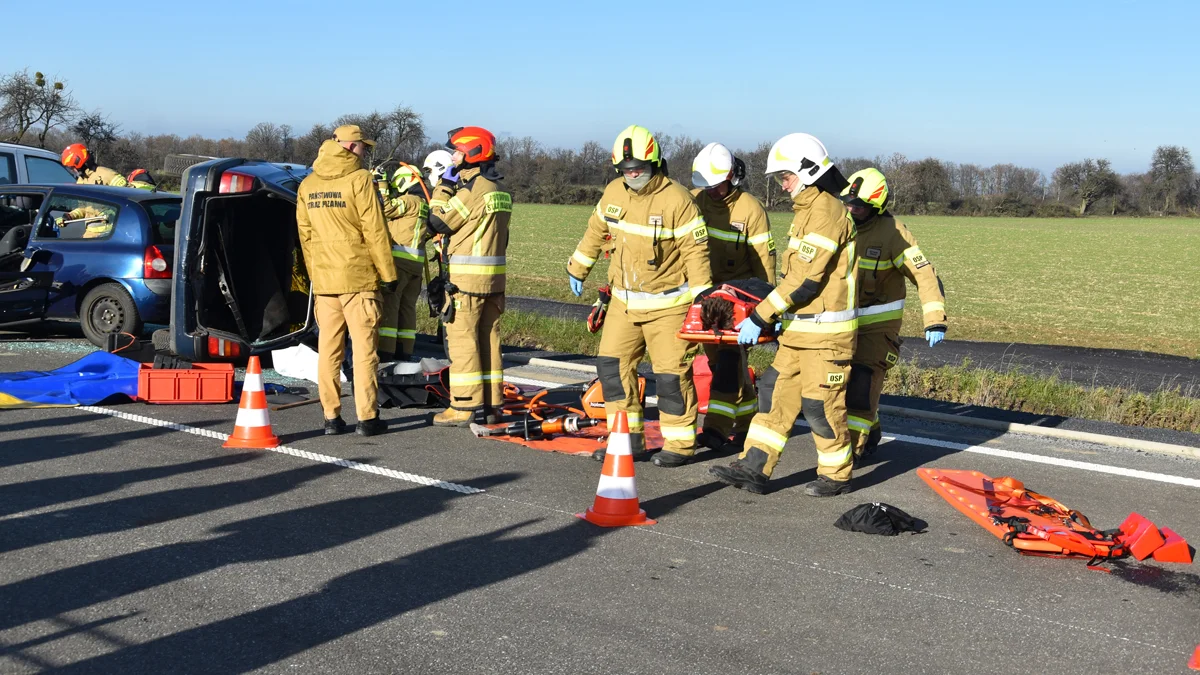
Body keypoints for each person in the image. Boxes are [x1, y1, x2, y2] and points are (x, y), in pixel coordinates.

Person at [709, 133, 859, 496]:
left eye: (786, 175)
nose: (782, 182)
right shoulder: (808, 210)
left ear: (807, 171)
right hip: (799, 331)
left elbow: (806, 280)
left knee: (819, 405)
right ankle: (753, 466)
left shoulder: (825, 213)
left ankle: (835, 475)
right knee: (774, 391)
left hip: (826, 335)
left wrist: (761, 315)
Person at [567, 125, 712, 464]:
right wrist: (578, 267)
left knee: (671, 377)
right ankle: (626, 440)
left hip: (669, 306)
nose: (632, 175)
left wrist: (702, 299)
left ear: (656, 164)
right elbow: (596, 231)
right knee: (612, 369)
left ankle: (679, 444)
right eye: (626, 170)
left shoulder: (678, 200)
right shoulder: (614, 193)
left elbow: (696, 252)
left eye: (639, 169)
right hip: (624, 302)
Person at [296, 125, 397, 437]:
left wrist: (316, 275)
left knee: (329, 350)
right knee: (365, 350)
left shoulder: (308, 184)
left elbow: (305, 237)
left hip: (325, 283)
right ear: (353, 147)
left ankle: (331, 418)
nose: (365, 152)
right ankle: (367, 418)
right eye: (363, 147)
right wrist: (388, 274)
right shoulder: (361, 180)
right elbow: (374, 230)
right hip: (358, 279)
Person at [839, 168, 947, 462]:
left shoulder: (894, 234)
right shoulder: (840, 226)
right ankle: (871, 430)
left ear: (877, 205)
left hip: (877, 326)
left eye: (859, 206)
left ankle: (849, 453)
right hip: (841, 323)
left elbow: (924, 274)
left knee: (862, 384)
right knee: (840, 383)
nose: (852, 209)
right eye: (848, 203)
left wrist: (935, 319)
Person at [690, 142, 775, 454]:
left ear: (731, 177)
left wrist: (766, 312)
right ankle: (747, 422)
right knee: (724, 364)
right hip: (703, 297)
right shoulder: (695, 201)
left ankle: (716, 428)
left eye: (717, 185)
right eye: (707, 185)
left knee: (727, 362)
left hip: (738, 301)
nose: (711, 191)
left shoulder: (750, 210)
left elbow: (765, 264)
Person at [426, 126, 512, 427]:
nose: (453, 156)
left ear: (472, 152)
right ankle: (491, 405)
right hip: (494, 281)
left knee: (463, 341)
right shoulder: (500, 190)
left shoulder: (472, 190)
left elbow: (437, 220)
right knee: (489, 341)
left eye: (457, 151)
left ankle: (463, 406)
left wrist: (443, 189)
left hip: (467, 283)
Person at [374, 163, 429, 362]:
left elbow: (387, 208)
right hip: (416, 264)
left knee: (391, 304)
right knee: (408, 308)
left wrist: (381, 184)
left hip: (400, 262)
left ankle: (386, 351)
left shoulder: (410, 200)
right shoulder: (424, 203)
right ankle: (405, 350)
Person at [60, 144, 128, 187]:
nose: (72, 170)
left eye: (72, 167)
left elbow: (128, 197)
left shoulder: (107, 174)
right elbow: (84, 207)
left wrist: (109, 210)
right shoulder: (81, 181)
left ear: (81, 164)